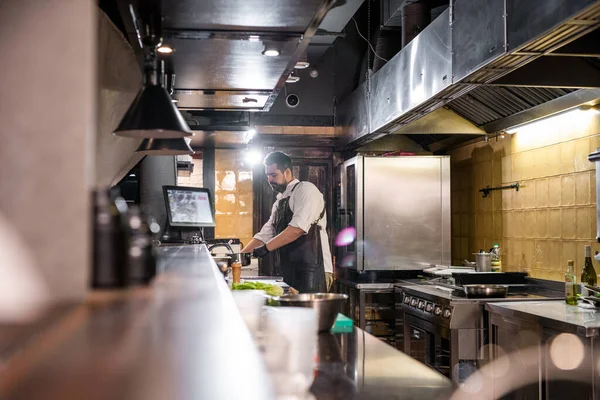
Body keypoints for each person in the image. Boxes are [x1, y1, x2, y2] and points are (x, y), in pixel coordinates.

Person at [241, 151, 333, 293]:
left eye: (273, 175)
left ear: (287, 172)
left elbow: (297, 229)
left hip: (314, 270)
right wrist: (239, 257)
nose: (270, 179)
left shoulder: (306, 190)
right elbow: (265, 234)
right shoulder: (279, 202)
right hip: (290, 271)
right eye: (267, 175)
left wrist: (265, 249)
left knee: (309, 315)